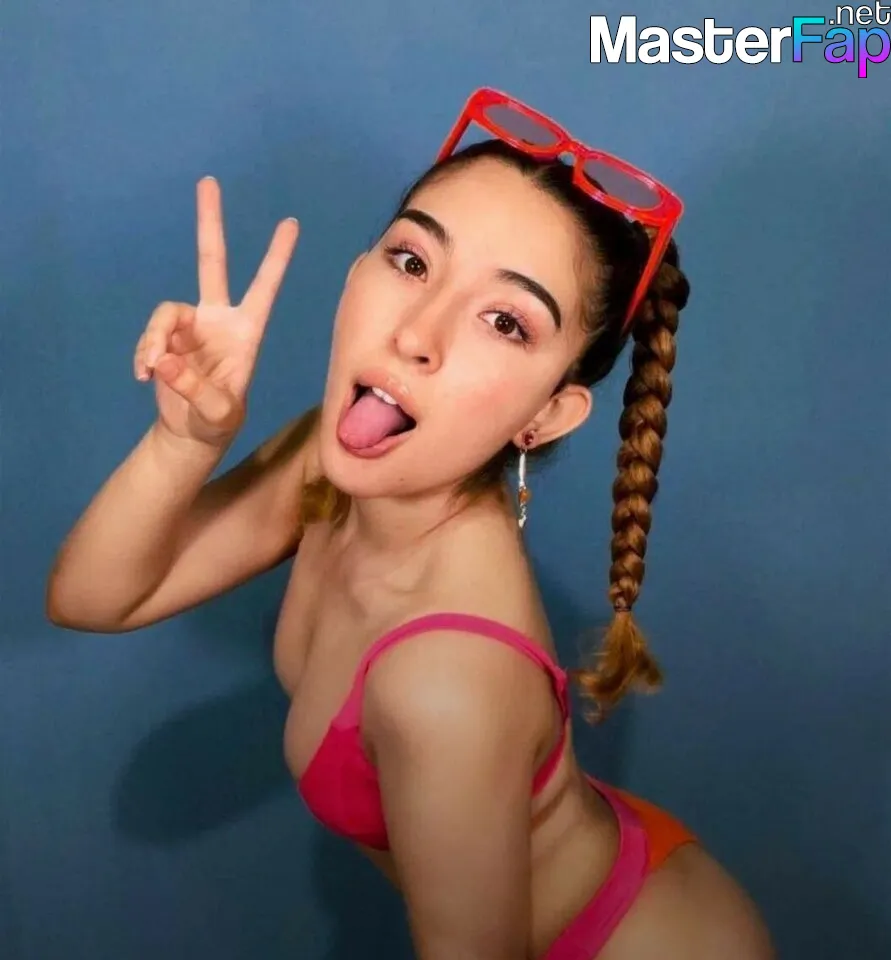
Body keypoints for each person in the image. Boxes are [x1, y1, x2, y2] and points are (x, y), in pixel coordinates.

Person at [47, 89, 774, 959]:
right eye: (412, 260)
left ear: (545, 415)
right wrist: (184, 444)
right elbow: (95, 599)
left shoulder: (448, 680)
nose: (416, 334)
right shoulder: (324, 463)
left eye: (504, 321)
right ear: (356, 273)